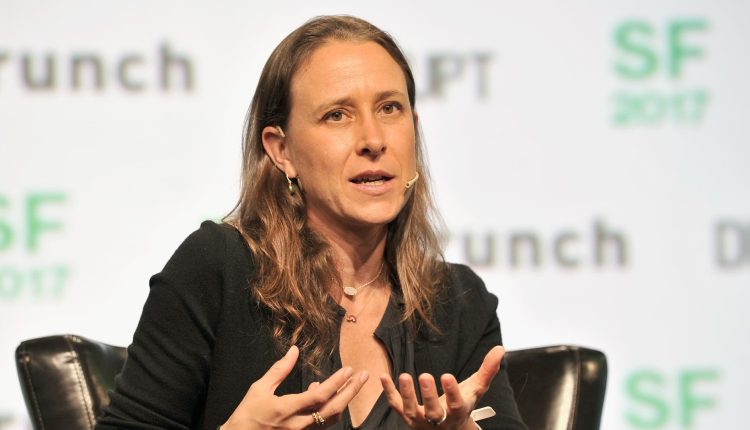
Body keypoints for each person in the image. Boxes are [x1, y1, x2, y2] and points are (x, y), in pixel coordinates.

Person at [95, 15, 527, 430]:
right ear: (281, 151)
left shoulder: (458, 303)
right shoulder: (217, 269)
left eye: (390, 108)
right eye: (337, 115)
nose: (373, 140)